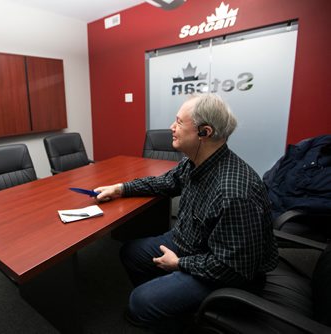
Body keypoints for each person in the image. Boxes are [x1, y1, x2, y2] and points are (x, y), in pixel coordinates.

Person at [94, 93, 278, 333]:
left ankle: (176, 313)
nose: (172, 128)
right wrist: (121, 189)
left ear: (205, 132)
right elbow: (165, 182)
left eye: (179, 122)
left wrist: (179, 264)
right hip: (192, 241)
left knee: (138, 303)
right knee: (131, 253)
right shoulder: (196, 162)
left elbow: (233, 268)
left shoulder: (234, 192)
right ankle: (173, 302)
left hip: (223, 269)